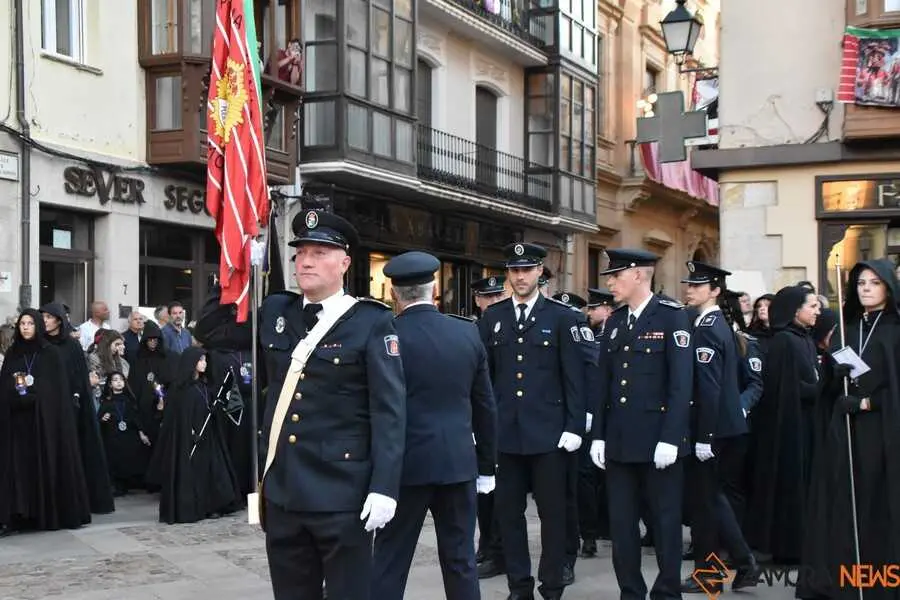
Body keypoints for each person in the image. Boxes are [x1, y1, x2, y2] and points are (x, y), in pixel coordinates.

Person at [258, 210, 406, 600]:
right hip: (285, 491)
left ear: (345, 262)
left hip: (342, 495)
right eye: (301, 252)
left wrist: (385, 487)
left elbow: (389, 410)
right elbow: (214, 329)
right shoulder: (278, 312)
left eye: (320, 251)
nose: (306, 261)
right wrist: (243, 258)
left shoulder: (371, 322)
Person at [371, 251, 497, 600]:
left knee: (389, 561)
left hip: (404, 467)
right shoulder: (466, 333)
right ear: (434, 288)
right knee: (460, 561)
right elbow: (485, 406)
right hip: (457, 462)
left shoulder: (386, 335)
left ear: (394, 292)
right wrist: (487, 466)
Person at [478, 242, 585, 600]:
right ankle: (519, 587)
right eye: (514, 270)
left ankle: (552, 585)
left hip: (550, 435)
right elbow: (484, 381)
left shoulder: (563, 317)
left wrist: (573, 427)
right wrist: (482, 429)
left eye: (526, 270)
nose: (520, 277)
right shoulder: (493, 318)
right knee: (508, 516)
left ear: (540, 272)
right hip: (506, 435)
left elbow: (574, 378)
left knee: (553, 517)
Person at [588, 249, 693, 600]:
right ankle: (630, 591)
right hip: (619, 442)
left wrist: (671, 437)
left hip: (658, 441)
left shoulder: (672, 317)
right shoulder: (616, 321)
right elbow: (602, 383)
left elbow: (681, 384)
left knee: (664, 523)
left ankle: (666, 591)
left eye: (616, 275)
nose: (610, 282)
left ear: (638, 275)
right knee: (622, 526)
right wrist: (598, 436)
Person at [799, 258, 900, 600]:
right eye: (861, 283)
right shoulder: (846, 326)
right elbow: (827, 386)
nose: (866, 288)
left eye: (874, 282)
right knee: (841, 501)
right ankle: (840, 579)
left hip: (883, 433)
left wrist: (867, 404)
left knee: (877, 504)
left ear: (887, 287)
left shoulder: (896, 329)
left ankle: (880, 583)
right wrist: (833, 377)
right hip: (844, 430)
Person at [679, 262, 760, 595]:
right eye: (689, 284)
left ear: (715, 291)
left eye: (698, 286)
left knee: (707, 503)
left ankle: (717, 572)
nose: (690, 289)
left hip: (713, 428)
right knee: (711, 501)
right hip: (720, 426)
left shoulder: (709, 328)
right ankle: (740, 564)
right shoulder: (710, 323)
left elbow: (709, 388)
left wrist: (704, 437)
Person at [744, 285, 820, 564]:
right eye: (812, 306)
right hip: (787, 430)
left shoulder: (805, 339)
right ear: (794, 310)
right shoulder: (784, 341)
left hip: (805, 424)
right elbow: (787, 390)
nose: (817, 311)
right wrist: (822, 387)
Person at [0, 309, 91, 535]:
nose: (26, 327)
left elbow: (56, 390)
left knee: (42, 464)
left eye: (30, 323)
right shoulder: (13, 353)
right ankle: (19, 513)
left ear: (38, 326)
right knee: (19, 470)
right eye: (22, 323)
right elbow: (4, 385)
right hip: (18, 422)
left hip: (44, 423)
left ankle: (43, 513)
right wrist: (14, 395)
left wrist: (37, 396)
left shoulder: (50, 354)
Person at [40, 302, 115, 515]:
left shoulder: (71, 346)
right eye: (43, 317)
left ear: (58, 319)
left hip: (71, 407)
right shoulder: (41, 344)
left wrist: (75, 396)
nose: (45, 321)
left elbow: (79, 377)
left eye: (48, 317)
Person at [154, 347, 241, 524]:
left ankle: (211, 505)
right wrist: (190, 432)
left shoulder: (204, 387)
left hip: (208, 437)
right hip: (190, 440)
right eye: (201, 360)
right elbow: (179, 418)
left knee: (211, 470)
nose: (204, 363)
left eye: (205, 360)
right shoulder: (181, 391)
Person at [469, 274, 509, 578]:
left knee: (501, 493)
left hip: (506, 422)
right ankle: (487, 547)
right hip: (483, 421)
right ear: (478, 300)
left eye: (498, 297)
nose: (494, 302)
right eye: (489, 298)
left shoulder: (510, 324)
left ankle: (497, 550)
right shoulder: (474, 330)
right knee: (485, 491)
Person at [578, 287, 616, 557]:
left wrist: (592, 411)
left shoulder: (607, 336)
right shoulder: (589, 335)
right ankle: (592, 529)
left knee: (591, 477)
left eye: (595, 308)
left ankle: (595, 530)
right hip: (580, 414)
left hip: (604, 415)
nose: (590, 312)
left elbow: (596, 377)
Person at [97, 372, 152, 496]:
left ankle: (130, 482)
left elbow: (136, 418)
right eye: (115, 380)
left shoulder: (129, 400)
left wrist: (141, 432)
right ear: (110, 384)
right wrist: (103, 418)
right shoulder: (106, 401)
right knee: (115, 458)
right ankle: (118, 485)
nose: (119, 382)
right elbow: (99, 417)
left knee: (130, 455)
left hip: (128, 434)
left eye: (121, 379)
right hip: (113, 435)